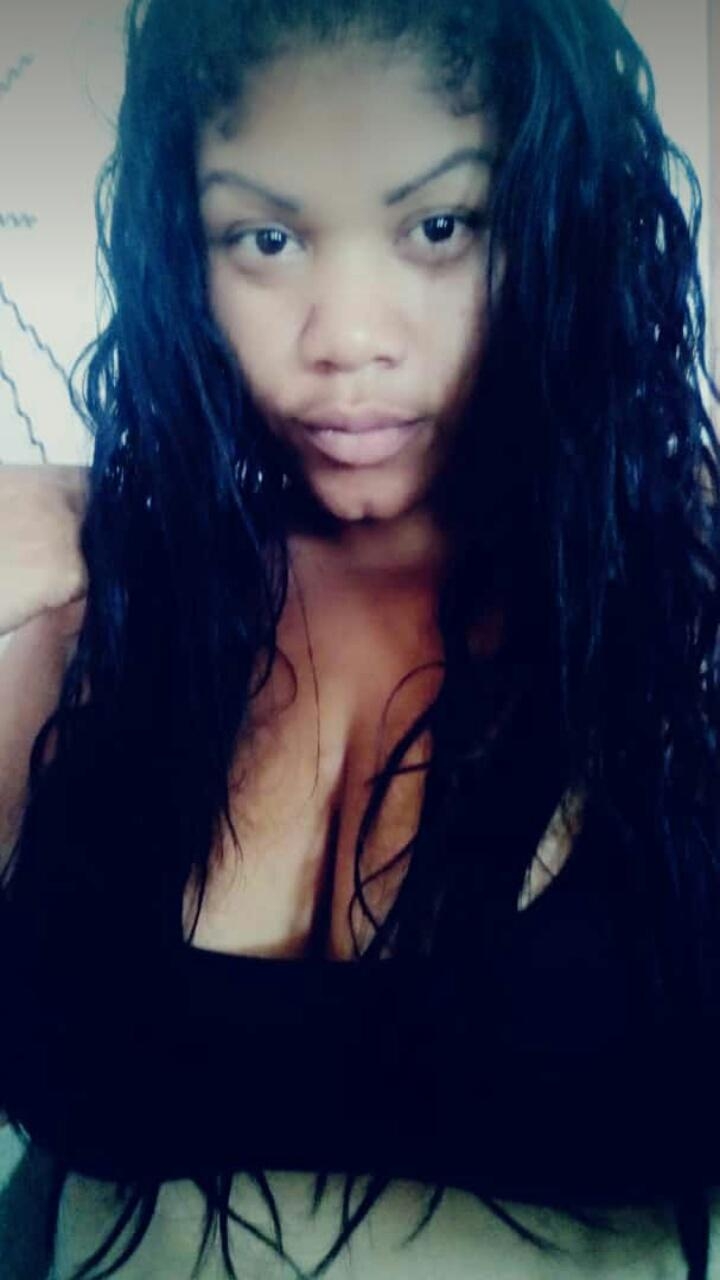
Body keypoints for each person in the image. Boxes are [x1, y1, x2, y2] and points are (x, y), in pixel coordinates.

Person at [1, 0, 720, 1276]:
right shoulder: (83, 616)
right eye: (266, 237)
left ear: (561, 223)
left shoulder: (682, 616)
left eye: (440, 226)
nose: (345, 340)